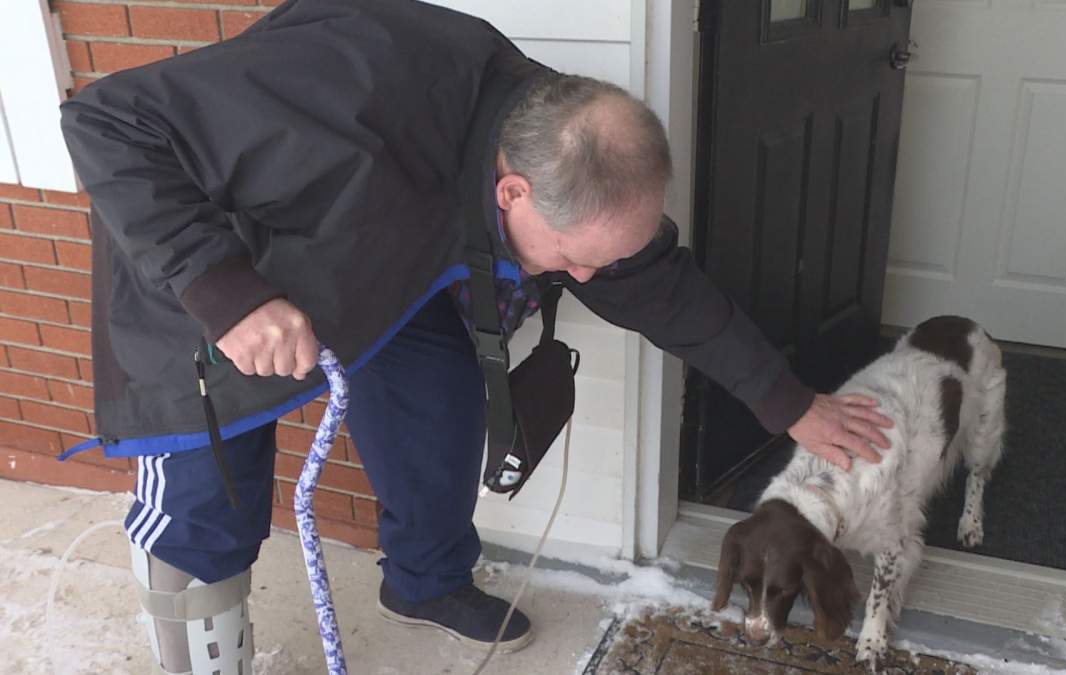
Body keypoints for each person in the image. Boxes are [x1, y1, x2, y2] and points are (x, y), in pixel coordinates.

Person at [58, 0, 893, 671]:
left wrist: (787, 402)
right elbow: (108, 121)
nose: (588, 277)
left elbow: (657, 285)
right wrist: (224, 289)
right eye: (573, 259)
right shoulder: (347, 87)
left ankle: (423, 583)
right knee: (206, 509)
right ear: (514, 193)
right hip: (201, 272)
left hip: (374, 262)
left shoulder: (562, 145)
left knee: (439, 409)